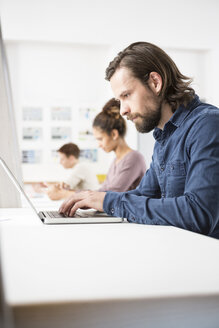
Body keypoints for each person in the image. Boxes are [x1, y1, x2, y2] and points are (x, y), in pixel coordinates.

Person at [59, 41, 219, 239]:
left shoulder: (207, 125)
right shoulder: (163, 138)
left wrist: (109, 202)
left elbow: (199, 213)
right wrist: (95, 199)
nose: (123, 110)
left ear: (155, 82)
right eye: (120, 100)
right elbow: (144, 195)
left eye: (127, 95)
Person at [93, 98, 146, 192]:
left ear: (114, 134)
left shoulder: (134, 158)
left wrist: (69, 194)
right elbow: (103, 190)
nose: (99, 145)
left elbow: (111, 193)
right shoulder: (115, 161)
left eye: (100, 139)